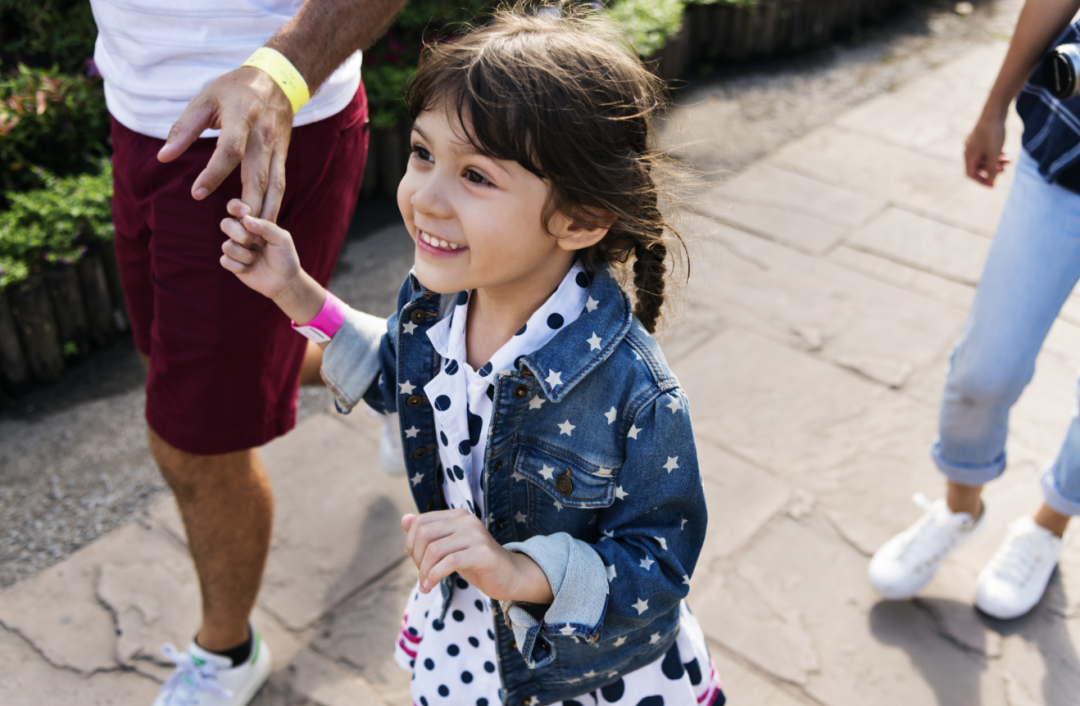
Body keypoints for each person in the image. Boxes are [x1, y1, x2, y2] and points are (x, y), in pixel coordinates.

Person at [219, 5, 726, 705]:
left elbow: (657, 564)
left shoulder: (632, 390)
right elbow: (401, 377)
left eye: (476, 177)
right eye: (423, 154)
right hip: (468, 638)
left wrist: (519, 573)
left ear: (578, 219)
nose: (425, 196)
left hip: (580, 671)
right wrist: (299, 293)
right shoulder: (436, 304)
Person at [88, 0, 404, 703]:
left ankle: (228, 652)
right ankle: (394, 376)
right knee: (179, 375)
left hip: (256, 131)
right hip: (141, 114)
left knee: (192, 439)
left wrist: (280, 71)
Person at [868, 0, 1080, 620]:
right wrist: (992, 108)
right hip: (1066, 154)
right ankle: (961, 508)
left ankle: (1048, 526)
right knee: (985, 371)